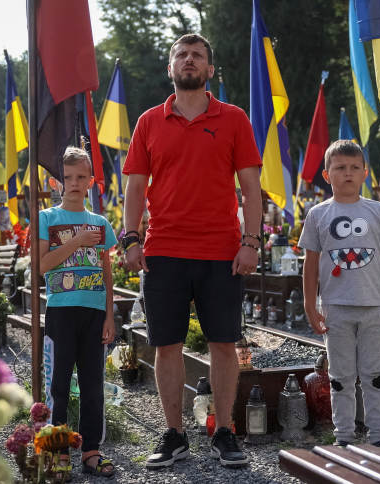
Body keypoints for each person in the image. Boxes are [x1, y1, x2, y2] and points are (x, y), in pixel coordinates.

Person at [122, 33, 262, 469]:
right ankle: (175, 434)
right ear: (170, 68)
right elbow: (134, 187)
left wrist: (251, 242)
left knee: (224, 345)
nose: (188, 60)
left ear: (209, 70)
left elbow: (252, 189)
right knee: (167, 345)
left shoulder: (235, 118)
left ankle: (224, 432)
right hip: (163, 250)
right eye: (181, 55)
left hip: (221, 250)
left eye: (197, 55)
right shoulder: (148, 121)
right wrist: (129, 237)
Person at [298, 140, 380, 447]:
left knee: (375, 375)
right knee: (340, 377)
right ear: (326, 174)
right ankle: (344, 437)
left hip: (375, 307)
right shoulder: (318, 215)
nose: (347, 173)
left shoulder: (378, 212)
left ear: (365, 174)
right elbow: (310, 264)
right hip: (336, 308)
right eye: (340, 168)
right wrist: (310, 304)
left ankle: (378, 437)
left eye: (354, 168)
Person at [38, 147, 119, 479]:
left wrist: (111, 316)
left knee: (93, 385)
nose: (74, 183)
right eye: (68, 177)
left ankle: (91, 451)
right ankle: (55, 454)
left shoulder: (100, 224)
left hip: (94, 313)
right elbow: (42, 266)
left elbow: (107, 272)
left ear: (91, 181)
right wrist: (76, 241)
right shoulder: (47, 218)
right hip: (60, 311)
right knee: (57, 384)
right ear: (58, 182)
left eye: (80, 177)